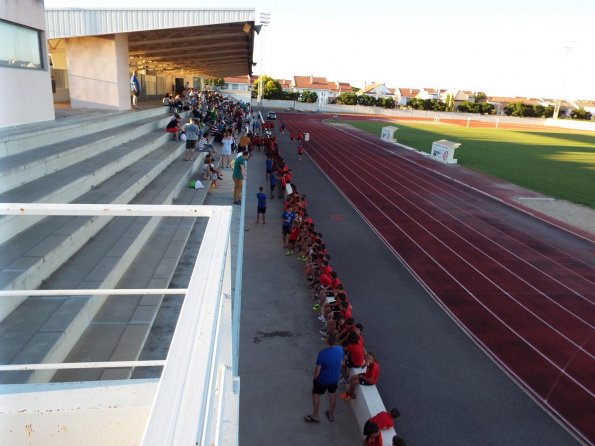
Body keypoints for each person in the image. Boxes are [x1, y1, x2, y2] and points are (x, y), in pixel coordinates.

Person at [304, 332, 344, 424]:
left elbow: (318, 370)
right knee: (332, 394)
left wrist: (314, 379)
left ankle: (315, 415)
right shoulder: (340, 350)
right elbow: (341, 363)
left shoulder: (322, 354)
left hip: (323, 380)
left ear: (327, 341)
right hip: (334, 378)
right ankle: (331, 414)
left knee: (315, 394)